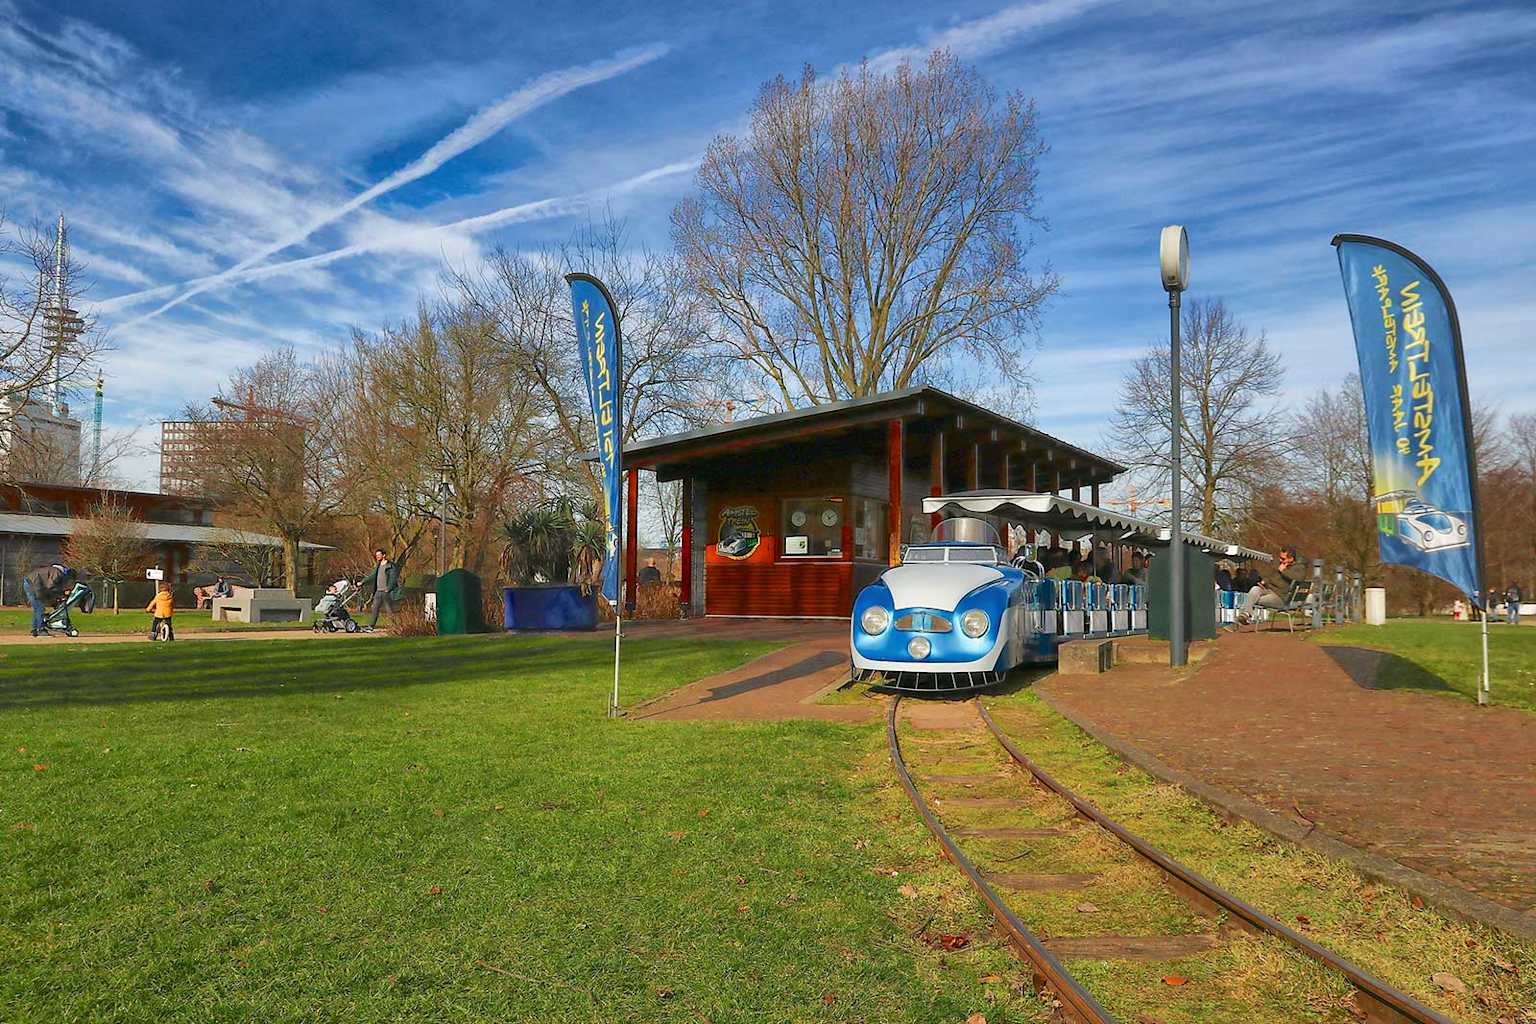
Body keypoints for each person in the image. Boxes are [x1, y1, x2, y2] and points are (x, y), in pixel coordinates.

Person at [1237, 546, 1303, 625]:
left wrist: (1283, 571)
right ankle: (1246, 614)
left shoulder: (1298, 568)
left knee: (1253, 600)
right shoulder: (1280, 565)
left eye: (1283, 559)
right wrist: (1264, 582)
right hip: (1269, 590)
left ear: (1291, 559)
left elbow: (1297, 579)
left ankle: (1239, 622)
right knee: (1255, 589)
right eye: (1280, 558)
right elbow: (1272, 577)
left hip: (1281, 597)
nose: (1280, 560)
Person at [22, 562, 76, 637]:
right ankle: (40, 630)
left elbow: (50, 587)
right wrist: (63, 591)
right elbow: (50, 586)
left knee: (37, 607)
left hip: (31, 582)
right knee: (39, 607)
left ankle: (35, 629)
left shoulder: (56, 571)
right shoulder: (58, 573)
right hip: (33, 584)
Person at [363, 548, 401, 630]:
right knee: (374, 609)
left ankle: (395, 627)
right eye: (376, 555)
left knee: (389, 610)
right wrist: (362, 582)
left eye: (379, 555)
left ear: (384, 555)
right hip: (378, 591)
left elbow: (393, 578)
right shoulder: (378, 566)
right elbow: (372, 576)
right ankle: (371, 626)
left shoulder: (391, 566)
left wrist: (388, 588)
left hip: (386, 592)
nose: (377, 557)